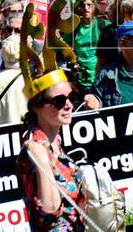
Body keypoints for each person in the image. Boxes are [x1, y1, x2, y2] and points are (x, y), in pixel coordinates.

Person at [15, 72, 86, 230]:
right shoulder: (35, 150)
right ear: (36, 106)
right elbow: (50, 210)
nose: (69, 105)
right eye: (59, 101)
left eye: (71, 97)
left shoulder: (55, 141)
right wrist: (42, 159)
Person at [66, 0, 109, 89]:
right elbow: (65, 48)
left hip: (101, 79)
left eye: (89, 5)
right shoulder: (73, 27)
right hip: (79, 79)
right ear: (79, 8)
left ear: (95, 7)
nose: (86, 8)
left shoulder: (104, 25)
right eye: (82, 5)